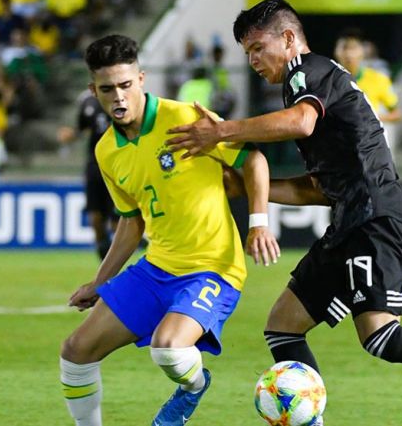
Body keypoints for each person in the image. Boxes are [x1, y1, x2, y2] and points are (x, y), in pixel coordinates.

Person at [166, 0, 402, 425]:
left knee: (381, 337)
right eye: (246, 53)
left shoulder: (307, 72)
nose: (252, 60)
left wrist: (222, 131)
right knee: (283, 325)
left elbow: (300, 122)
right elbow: (318, 188)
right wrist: (249, 187)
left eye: (257, 48)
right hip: (350, 216)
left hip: (376, 214)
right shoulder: (312, 89)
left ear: (289, 39)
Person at [59, 34, 279, 426]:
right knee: (75, 352)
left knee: (169, 351)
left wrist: (259, 223)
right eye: (107, 89)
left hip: (213, 268)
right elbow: (131, 221)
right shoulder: (106, 150)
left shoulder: (183, 117)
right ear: (93, 91)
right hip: (157, 267)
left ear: (141, 79)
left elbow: (254, 160)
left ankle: (194, 387)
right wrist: (99, 281)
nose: (119, 97)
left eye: (126, 85)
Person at [58, 89, 119, 260]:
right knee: (96, 218)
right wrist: (71, 134)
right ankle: (103, 265)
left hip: (118, 166)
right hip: (94, 166)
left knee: (117, 222)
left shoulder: (124, 97)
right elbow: (82, 128)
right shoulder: (87, 100)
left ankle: (117, 263)